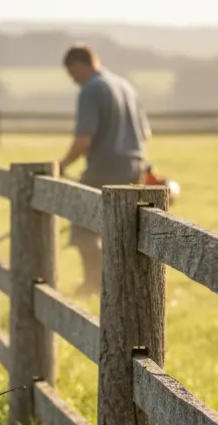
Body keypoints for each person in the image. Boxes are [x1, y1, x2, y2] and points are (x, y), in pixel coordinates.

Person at [57, 44, 153, 295]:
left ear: (78, 65)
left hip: (105, 167)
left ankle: (95, 285)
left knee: (83, 226)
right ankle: (124, 286)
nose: (73, 80)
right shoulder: (125, 86)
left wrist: (61, 165)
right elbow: (146, 134)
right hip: (134, 167)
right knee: (124, 230)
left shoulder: (91, 89)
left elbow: (84, 139)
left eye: (71, 74)